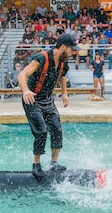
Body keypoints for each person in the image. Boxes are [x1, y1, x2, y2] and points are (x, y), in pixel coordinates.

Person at [18, 34, 79, 181]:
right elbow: (22, 75)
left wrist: (65, 93)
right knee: (41, 130)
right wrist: (26, 90)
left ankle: (54, 163)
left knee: (57, 129)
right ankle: (36, 165)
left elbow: (63, 77)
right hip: (32, 98)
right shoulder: (41, 58)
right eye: (72, 50)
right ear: (63, 47)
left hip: (47, 100)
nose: (73, 53)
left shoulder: (63, 62)